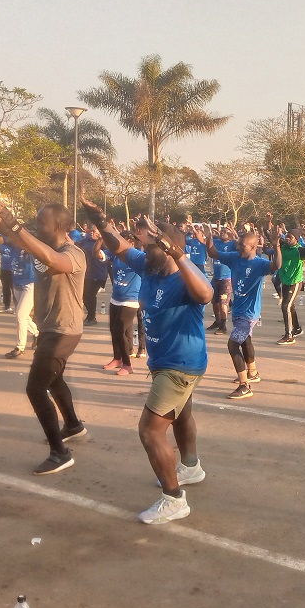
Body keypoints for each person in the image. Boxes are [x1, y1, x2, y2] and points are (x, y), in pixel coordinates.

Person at [83, 201, 213, 524]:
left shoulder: (184, 276)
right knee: (181, 417)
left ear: (167, 250)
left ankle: (173, 499)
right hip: (172, 363)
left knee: (150, 430)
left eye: (149, 244)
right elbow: (120, 245)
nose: (141, 246)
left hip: (178, 366)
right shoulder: (148, 265)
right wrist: (101, 221)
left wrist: (179, 256)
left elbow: (207, 294)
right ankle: (191, 467)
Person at [0, 185, 87, 475]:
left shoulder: (73, 252)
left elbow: (55, 261)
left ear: (57, 226)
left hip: (63, 331)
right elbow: (7, 230)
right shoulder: (38, 243)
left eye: (41, 222)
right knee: (54, 381)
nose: (35, 226)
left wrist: (20, 230)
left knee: (35, 387)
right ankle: (73, 425)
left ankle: (59, 453)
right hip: (50, 328)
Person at [205, 220, 281, 399]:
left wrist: (277, 245)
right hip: (238, 310)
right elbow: (213, 252)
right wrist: (208, 237)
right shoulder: (234, 258)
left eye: (243, 244)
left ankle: (244, 385)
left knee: (233, 345)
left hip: (249, 313)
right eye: (238, 243)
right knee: (246, 341)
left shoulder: (260, 264)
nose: (238, 246)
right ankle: (252, 373)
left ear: (254, 247)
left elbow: (276, 266)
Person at [103, 230, 146, 374]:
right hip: (116, 297)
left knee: (119, 330)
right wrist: (100, 238)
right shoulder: (115, 254)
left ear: (131, 243)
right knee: (113, 330)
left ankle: (127, 365)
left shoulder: (137, 257)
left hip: (131, 300)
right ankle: (117, 358)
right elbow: (97, 254)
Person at [271, 224, 305, 345]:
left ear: (296, 239)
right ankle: (297, 328)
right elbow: (272, 240)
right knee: (291, 306)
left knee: (286, 306)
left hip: (295, 282)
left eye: (290, 237)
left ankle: (289, 335)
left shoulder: (299, 250)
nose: (288, 238)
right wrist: (270, 224)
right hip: (285, 280)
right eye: (287, 236)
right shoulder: (283, 246)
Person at [4, 244, 38, 359]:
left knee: (20, 315)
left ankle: (20, 347)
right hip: (17, 284)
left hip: (30, 283)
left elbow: (33, 249)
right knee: (23, 315)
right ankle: (37, 333)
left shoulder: (29, 246)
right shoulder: (11, 244)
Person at [206, 225, 236, 335]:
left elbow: (240, 247)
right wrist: (209, 236)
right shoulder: (216, 242)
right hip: (216, 277)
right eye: (221, 231)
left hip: (226, 279)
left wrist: (234, 236)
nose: (222, 233)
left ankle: (223, 326)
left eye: (225, 231)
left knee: (223, 303)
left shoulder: (232, 244)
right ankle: (217, 321)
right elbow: (209, 248)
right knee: (214, 302)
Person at [81, 227, 108, 325]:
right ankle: (91, 314)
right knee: (85, 295)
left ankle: (91, 317)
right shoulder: (86, 241)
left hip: (98, 274)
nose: (92, 233)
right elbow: (76, 245)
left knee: (91, 295)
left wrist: (100, 239)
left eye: (94, 231)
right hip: (87, 273)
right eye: (91, 231)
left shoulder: (104, 243)